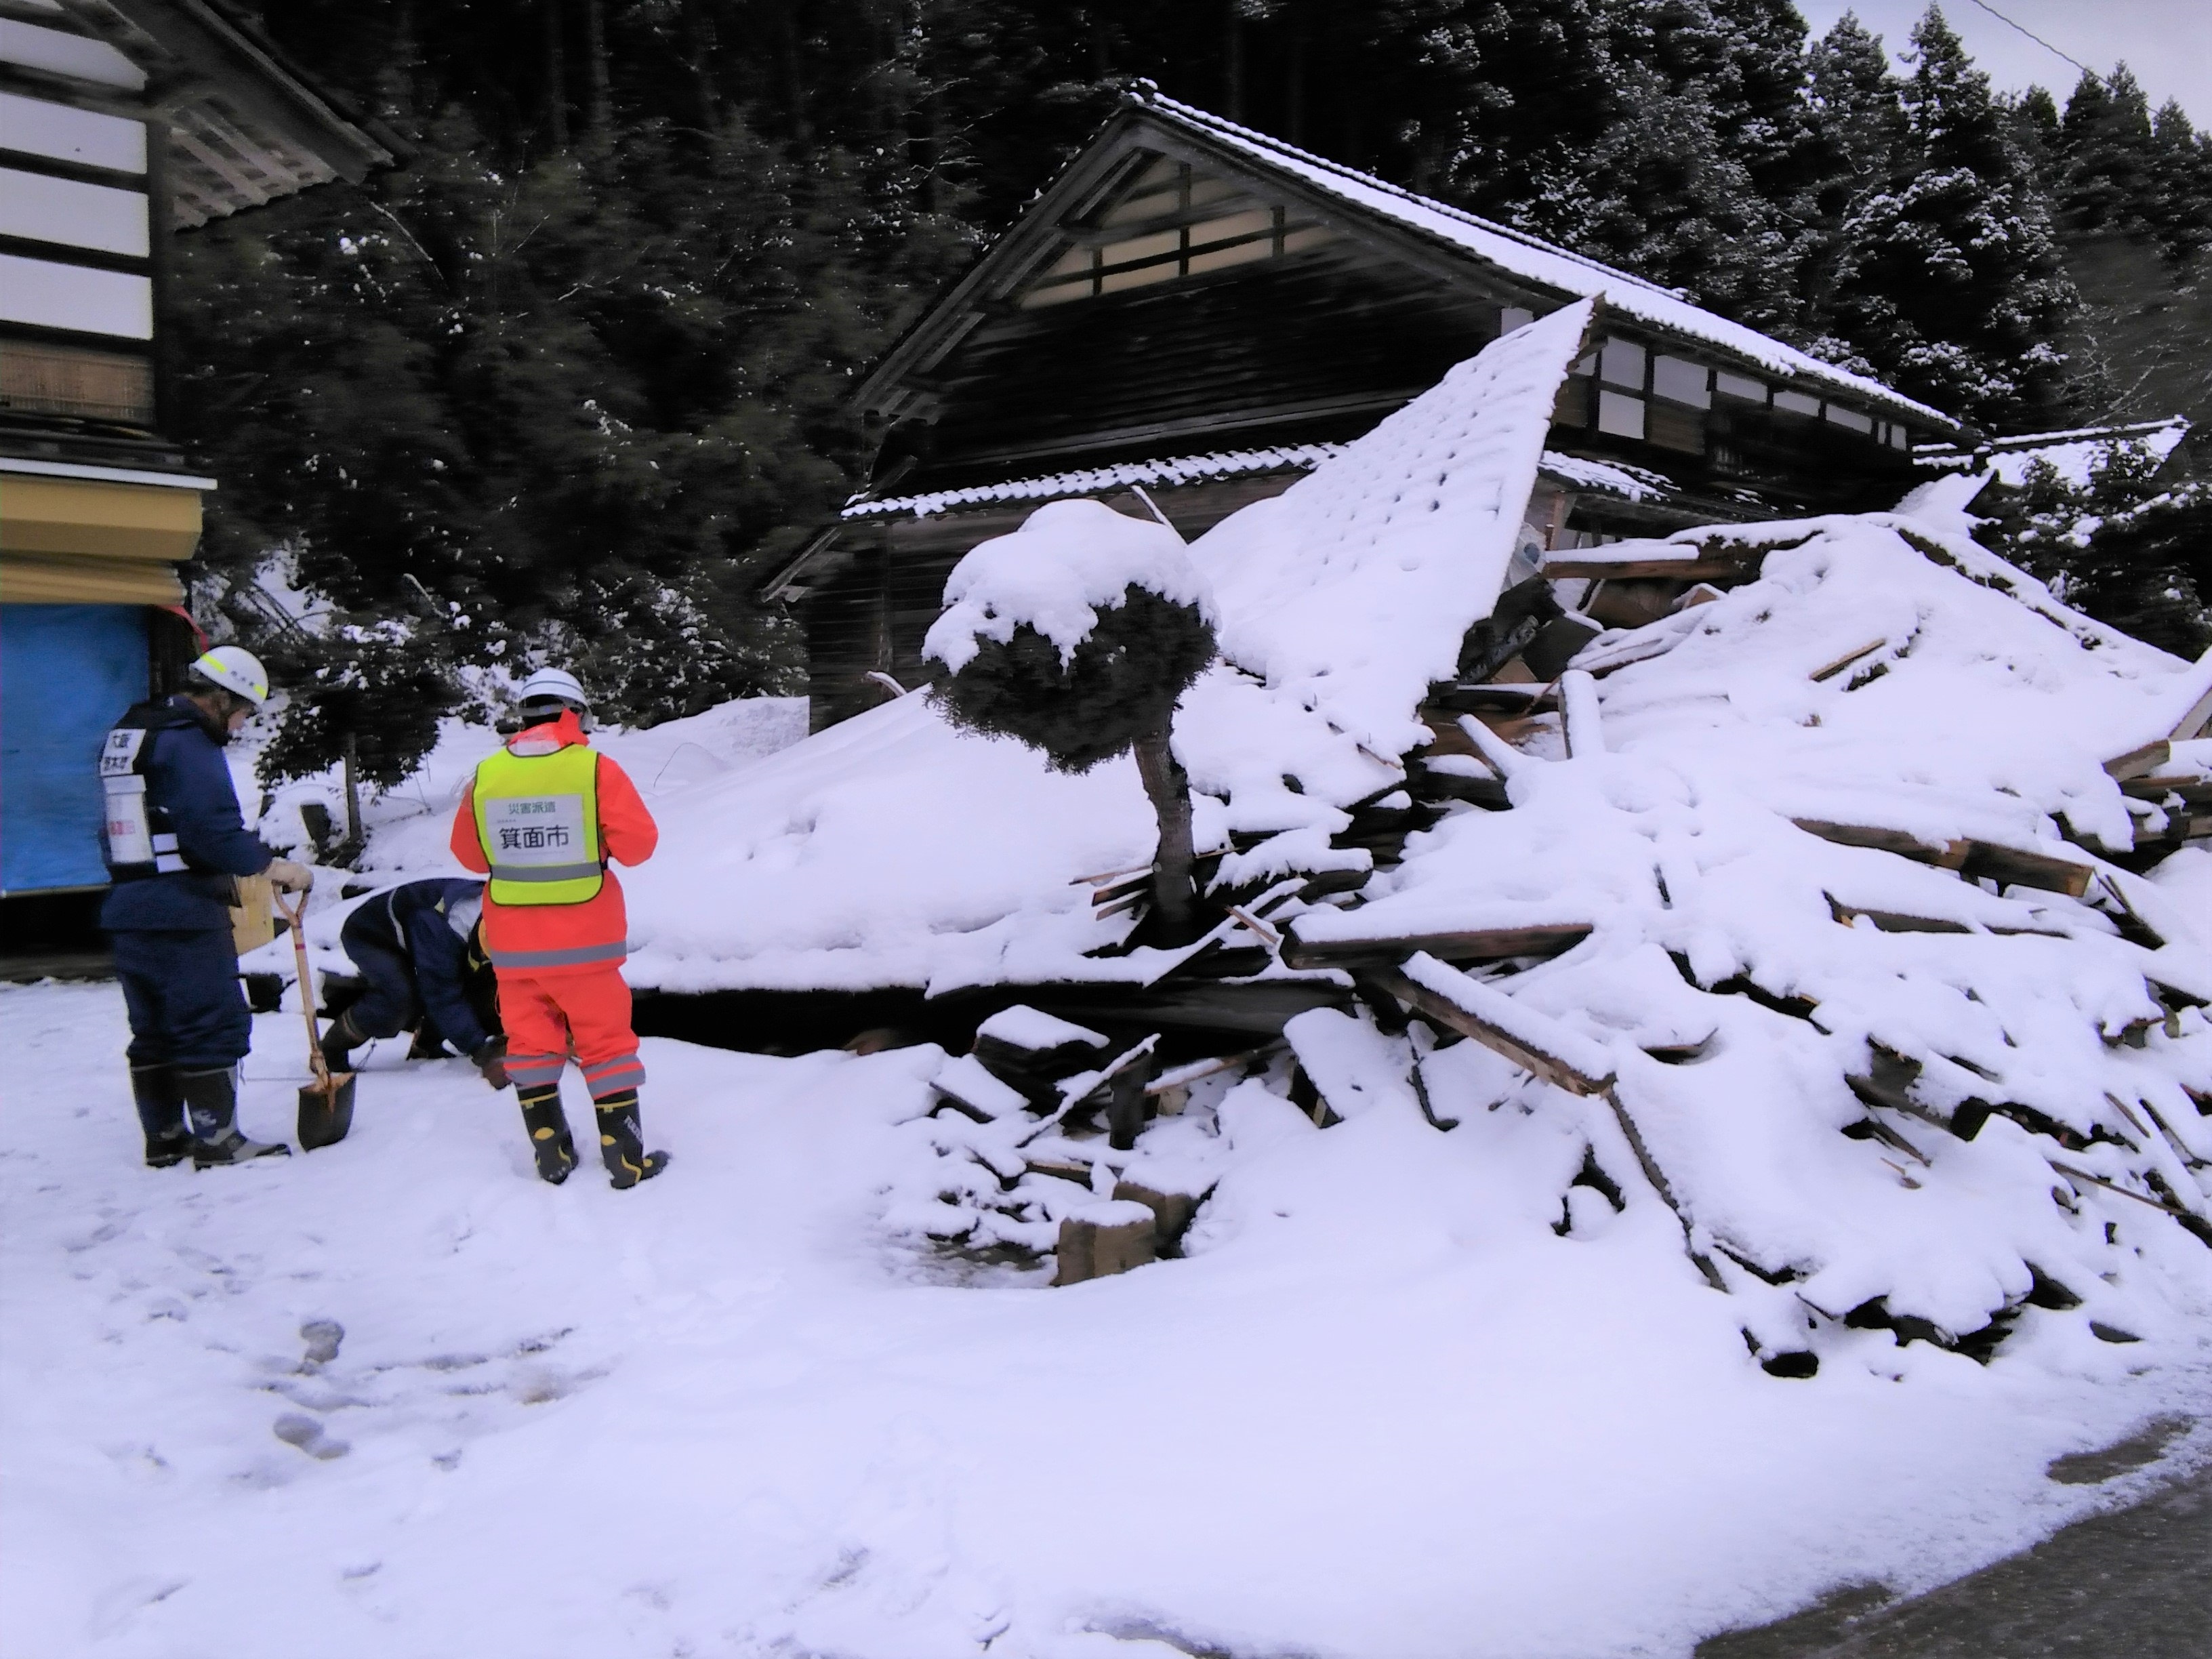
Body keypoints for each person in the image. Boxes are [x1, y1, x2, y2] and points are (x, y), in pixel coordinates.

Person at [448, 668, 665, 1188]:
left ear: (524, 718)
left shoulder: (488, 775)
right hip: (586, 948)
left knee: (530, 1046)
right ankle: (626, 1161)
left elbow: (469, 856)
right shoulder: (595, 770)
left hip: (515, 952)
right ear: (578, 715)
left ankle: (552, 1156)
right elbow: (638, 847)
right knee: (606, 1046)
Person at [100, 646, 314, 1168]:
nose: (242, 725)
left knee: (153, 1028)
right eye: (243, 711)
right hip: (182, 909)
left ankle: (165, 1139)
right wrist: (271, 866)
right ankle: (219, 1142)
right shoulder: (187, 742)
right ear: (221, 698)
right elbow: (210, 830)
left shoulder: (128, 735)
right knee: (209, 1021)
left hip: (128, 904)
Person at [321, 878, 508, 1088]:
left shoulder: (505, 913)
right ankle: (332, 1048)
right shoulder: (442, 925)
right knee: (401, 997)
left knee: (478, 981)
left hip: (420, 938)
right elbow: (441, 994)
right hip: (371, 936)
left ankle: (426, 1044)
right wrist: (480, 1049)